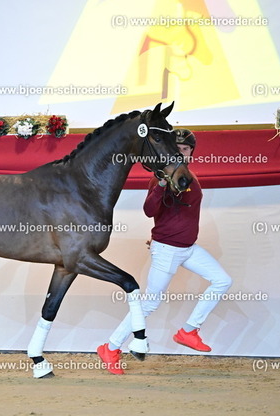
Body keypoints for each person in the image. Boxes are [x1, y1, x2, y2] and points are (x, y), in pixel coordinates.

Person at [97, 129, 232, 375]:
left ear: (191, 152)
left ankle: (188, 331)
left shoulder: (189, 177)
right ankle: (111, 347)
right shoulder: (161, 179)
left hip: (188, 249)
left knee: (222, 280)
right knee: (150, 304)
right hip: (168, 250)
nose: (181, 152)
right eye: (176, 148)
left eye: (185, 149)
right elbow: (149, 210)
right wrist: (160, 184)